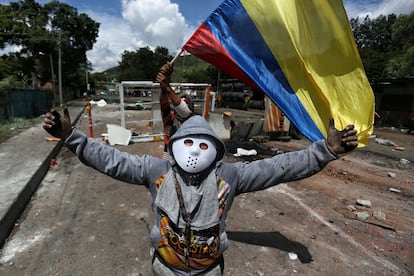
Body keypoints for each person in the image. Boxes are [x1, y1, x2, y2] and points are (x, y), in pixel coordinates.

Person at [43, 107, 357, 275]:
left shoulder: (231, 176)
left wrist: (323, 152)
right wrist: (71, 137)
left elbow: (277, 168)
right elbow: (111, 159)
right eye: (188, 143)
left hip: (209, 271)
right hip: (164, 268)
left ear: (216, 152)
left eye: (203, 145)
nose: (194, 150)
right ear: (174, 147)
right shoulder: (156, 172)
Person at [156, 63, 194, 159]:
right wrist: (165, 82)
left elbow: (184, 111)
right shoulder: (170, 119)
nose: (181, 107)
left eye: (186, 104)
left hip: (186, 156)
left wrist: (167, 86)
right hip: (169, 154)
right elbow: (164, 101)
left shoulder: (194, 122)